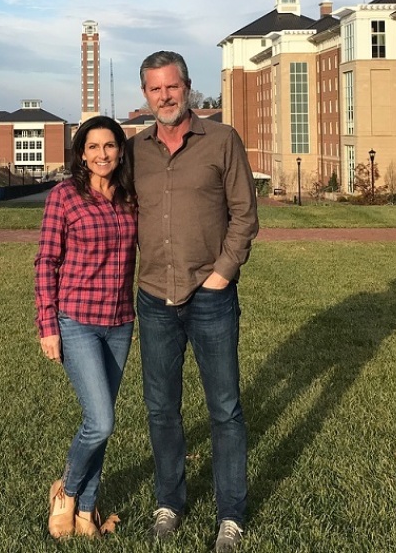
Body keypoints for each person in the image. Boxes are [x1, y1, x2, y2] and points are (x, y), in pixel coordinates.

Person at [129, 51, 259, 552]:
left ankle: (231, 515)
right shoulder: (135, 151)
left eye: (172, 86)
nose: (165, 96)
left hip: (210, 295)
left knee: (224, 409)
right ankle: (169, 503)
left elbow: (245, 214)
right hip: (154, 297)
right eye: (155, 89)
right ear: (146, 94)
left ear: (187, 87)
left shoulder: (222, 140)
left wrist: (223, 274)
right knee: (161, 408)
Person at [34, 115, 137, 540]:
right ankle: (67, 491)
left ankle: (87, 510)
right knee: (101, 420)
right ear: (81, 153)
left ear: (120, 151)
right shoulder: (64, 196)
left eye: (109, 145)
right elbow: (46, 261)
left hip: (120, 321)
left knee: (102, 419)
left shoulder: (130, 197)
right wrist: (47, 324)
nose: (101, 154)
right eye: (92, 147)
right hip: (76, 320)